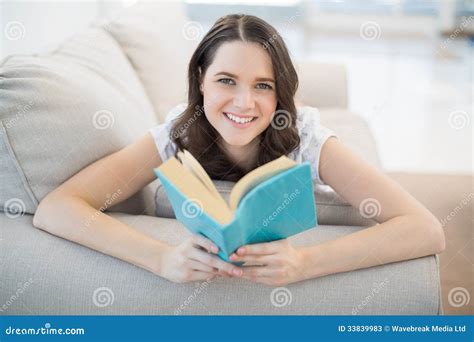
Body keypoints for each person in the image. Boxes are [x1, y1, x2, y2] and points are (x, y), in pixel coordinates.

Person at [33, 14, 445, 286]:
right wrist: (160, 258)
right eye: (226, 80)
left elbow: (426, 228)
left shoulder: (307, 137)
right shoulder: (178, 132)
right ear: (201, 79)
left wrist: (305, 263)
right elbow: (57, 207)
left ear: (280, 93)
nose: (244, 104)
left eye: (262, 86)